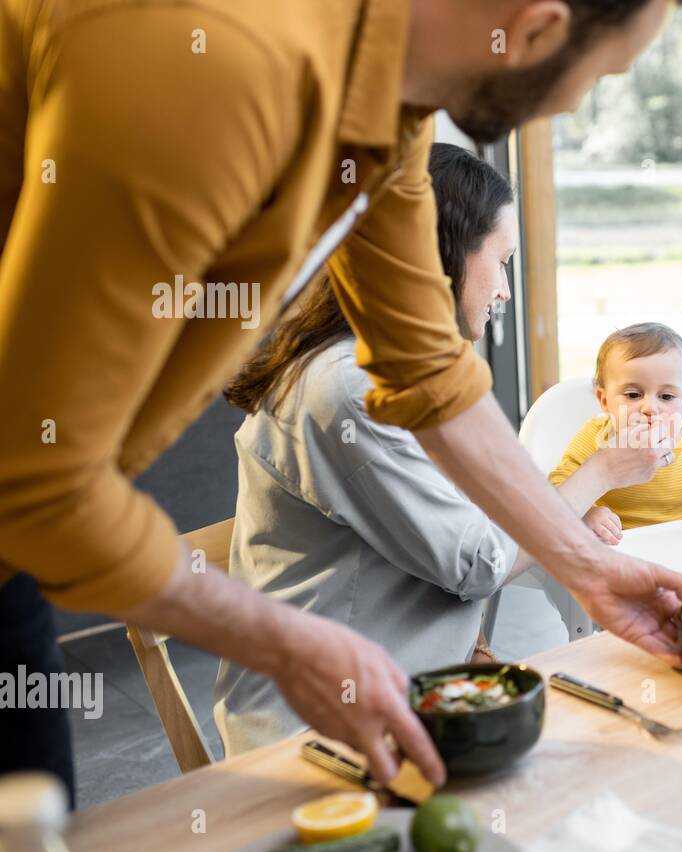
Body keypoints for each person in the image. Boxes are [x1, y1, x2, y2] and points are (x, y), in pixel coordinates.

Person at [0, 0, 682, 796]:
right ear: (537, 29)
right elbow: (38, 478)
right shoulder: (216, 67)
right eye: (603, 72)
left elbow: (428, 369)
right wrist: (290, 645)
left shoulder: (387, 116)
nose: (577, 103)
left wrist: (589, 566)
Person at [214, 145, 615, 754]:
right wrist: (600, 472)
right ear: (447, 254)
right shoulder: (348, 389)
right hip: (319, 737)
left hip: (419, 689)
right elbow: (476, 562)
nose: (504, 290)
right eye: (502, 262)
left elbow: (476, 513)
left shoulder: (402, 369)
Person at [549, 323, 682, 538]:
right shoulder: (597, 437)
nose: (650, 408)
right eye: (633, 395)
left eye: (667, 397)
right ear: (604, 400)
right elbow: (559, 485)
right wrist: (585, 513)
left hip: (681, 545)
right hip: (617, 547)